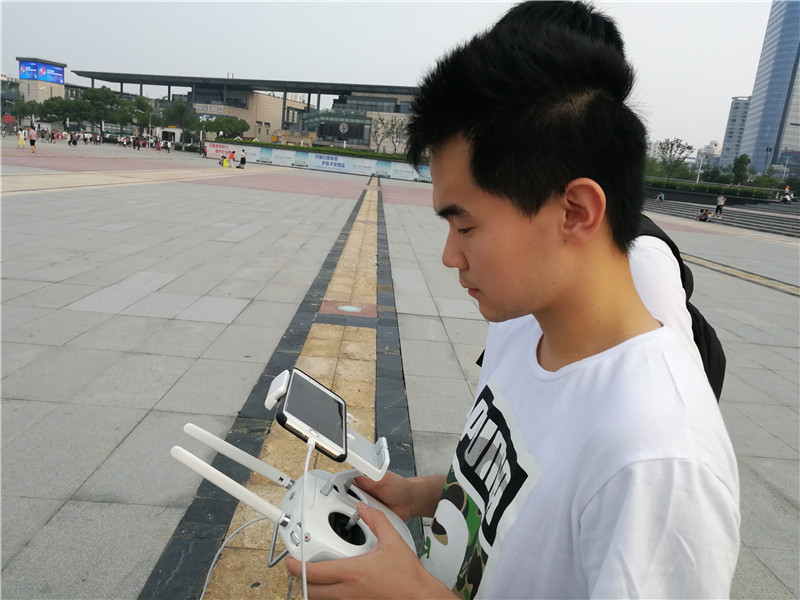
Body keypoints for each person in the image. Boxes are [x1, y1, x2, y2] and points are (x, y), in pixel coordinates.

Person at [286, 3, 740, 599]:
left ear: (575, 211)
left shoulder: (660, 462)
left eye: (466, 226)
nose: (450, 255)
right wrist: (418, 494)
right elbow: (519, 498)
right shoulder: (525, 327)